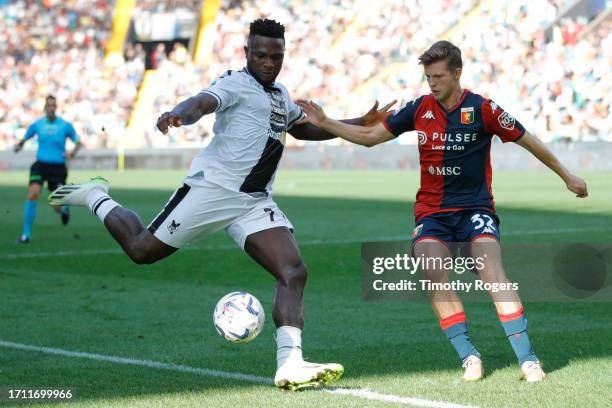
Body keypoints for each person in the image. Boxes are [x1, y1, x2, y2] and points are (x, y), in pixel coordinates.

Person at [48, 19, 392, 390]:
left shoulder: (280, 94)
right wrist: (180, 114)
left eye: (276, 56)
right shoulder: (234, 83)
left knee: (294, 271)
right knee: (141, 250)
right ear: (247, 53)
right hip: (212, 190)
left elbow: (303, 127)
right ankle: (95, 195)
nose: (268, 62)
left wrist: (358, 122)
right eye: (260, 55)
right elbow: (202, 102)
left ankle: (290, 364)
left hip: (253, 201)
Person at [296, 40, 588, 383]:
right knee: (432, 267)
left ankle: (528, 359)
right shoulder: (419, 108)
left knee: (489, 264)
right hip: (433, 214)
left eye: (438, 76)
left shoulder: (484, 109)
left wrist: (567, 175)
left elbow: (529, 140)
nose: (432, 83)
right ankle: (469, 356)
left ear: (457, 74)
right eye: (427, 77)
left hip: (475, 209)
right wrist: (326, 122)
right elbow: (371, 137)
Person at [14, 95, 82, 244]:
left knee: (57, 206)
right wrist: (19, 145)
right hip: (40, 165)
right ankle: (25, 235)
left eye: (53, 105)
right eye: (49, 105)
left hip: (58, 168)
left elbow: (78, 142)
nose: (51, 108)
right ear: (45, 108)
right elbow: (25, 138)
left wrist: (72, 153)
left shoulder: (65, 125)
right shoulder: (37, 124)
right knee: (33, 194)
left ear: (56, 108)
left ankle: (64, 209)